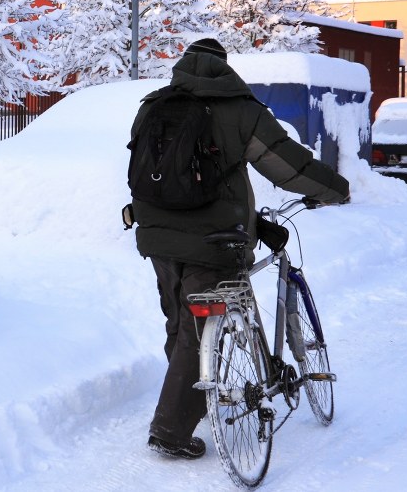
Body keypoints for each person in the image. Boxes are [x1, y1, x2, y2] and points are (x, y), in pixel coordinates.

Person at [129, 37, 350, 460]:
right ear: (224, 68)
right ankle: (171, 429)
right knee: (198, 329)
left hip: (156, 235)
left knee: (181, 323)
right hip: (216, 240)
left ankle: (192, 396)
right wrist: (337, 189)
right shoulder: (241, 110)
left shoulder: (151, 105)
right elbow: (288, 164)